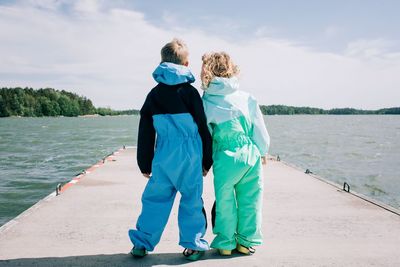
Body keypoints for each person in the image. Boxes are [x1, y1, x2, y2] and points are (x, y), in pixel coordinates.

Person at [128, 39, 213, 261]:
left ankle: (142, 243)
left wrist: (144, 162)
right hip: (190, 154)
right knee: (192, 199)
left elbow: (145, 130)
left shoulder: (153, 95)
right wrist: (207, 160)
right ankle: (193, 245)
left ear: (162, 62)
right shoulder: (190, 93)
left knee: (155, 200)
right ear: (186, 63)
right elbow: (203, 127)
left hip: (164, 154)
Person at [201, 52, 270, 256]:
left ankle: (225, 243)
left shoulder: (206, 100)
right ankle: (246, 241)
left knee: (225, 200)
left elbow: (207, 133)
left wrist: (207, 159)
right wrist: (263, 151)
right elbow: (259, 128)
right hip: (249, 153)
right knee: (251, 199)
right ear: (232, 69)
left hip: (224, 156)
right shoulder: (247, 97)